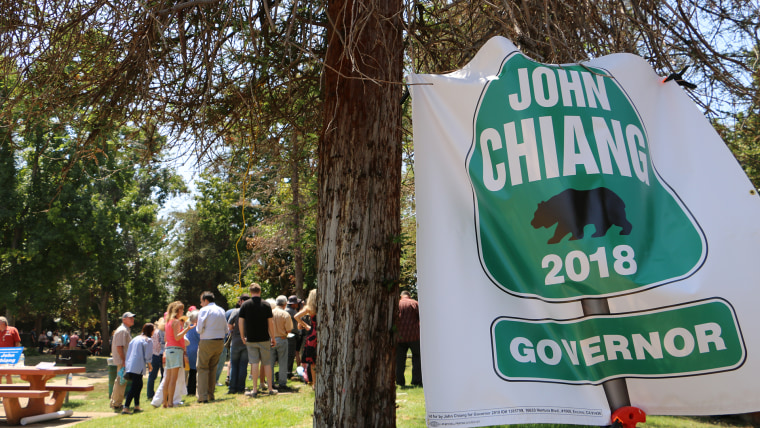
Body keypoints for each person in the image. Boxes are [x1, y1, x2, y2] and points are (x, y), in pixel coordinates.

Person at [238, 283, 277, 397]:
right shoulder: (266, 305)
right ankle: (270, 388)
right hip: (264, 338)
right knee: (267, 363)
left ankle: (254, 389)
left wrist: (242, 336)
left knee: (254, 363)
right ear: (260, 291)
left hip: (250, 338)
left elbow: (241, 322)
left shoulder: (245, 305)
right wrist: (273, 337)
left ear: (250, 292)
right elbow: (270, 323)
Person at [195, 291, 229, 403]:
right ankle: (211, 394)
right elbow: (226, 329)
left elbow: (199, 329)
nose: (201, 304)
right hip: (219, 342)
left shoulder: (204, 310)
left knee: (202, 368)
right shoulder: (221, 310)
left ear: (205, 300)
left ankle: (202, 396)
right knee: (213, 368)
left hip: (207, 341)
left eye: (201, 302)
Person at [164, 301, 193, 408]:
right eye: (181, 310)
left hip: (169, 350)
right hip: (176, 350)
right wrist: (187, 329)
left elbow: (167, 338)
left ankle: (165, 403)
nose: (182, 312)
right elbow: (177, 337)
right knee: (173, 379)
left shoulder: (167, 322)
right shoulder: (176, 322)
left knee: (168, 378)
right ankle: (170, 402)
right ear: (176, 311)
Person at [122, 323, 154, 414]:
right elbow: (148, 355)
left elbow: (129, 351)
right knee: (135, 387)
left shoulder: (135, 338)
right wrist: (150, 365)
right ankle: (126, 407)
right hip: (138, 365)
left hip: (131, 364)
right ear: (150, 330)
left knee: (138, 386)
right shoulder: (148, 340)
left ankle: (137, 406)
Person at [396, 290, 422, 387]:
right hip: (414, 335)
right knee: (417, 358)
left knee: (399, 360)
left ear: (401, 296)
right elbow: (421, 318)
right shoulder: (414, 303)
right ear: (409, 296)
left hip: (399, 336)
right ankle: (416, 380)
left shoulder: (397, 303)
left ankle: (399, 381)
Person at [110, 312, 135, 411]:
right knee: (121, 381)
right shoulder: (122, 331)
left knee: (120, 381)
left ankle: (115, 401)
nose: (132, 319)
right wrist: (124, 360)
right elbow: (119, 347)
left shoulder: (125, 330)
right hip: (122, 360)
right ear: (124, 319)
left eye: (133, 318)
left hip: (124, 360)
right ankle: (117, 403)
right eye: (130, 318)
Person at [294, 289, 318, 388]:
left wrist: (306, 326)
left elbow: (296, 316)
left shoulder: (309, 308)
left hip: (312, 333)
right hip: (321, 332)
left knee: (312, 361)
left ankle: (314, 383)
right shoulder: (324, 305)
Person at [227, 294, 249, 394]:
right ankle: (241, 388)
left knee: (234, 365)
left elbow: (229, 326)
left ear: (241, 301)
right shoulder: (251, 312)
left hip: (235, 341)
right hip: (247, 341)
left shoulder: (236, 311)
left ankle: (232, 388)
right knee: (243, 365)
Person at [271, 295, 293, 392]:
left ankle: (270, 383)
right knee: (283, 362)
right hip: (282, 338)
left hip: (270, 339)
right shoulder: (285, 314)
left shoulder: (269, 313)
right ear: (285, 304)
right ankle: (282, 383)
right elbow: (289, 330)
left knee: (270, 363)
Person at [147, 316, 166, 400]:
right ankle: (160, 393)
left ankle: (150, 394)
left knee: (152, 376)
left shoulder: (153, 332)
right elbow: (160, 344)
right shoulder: (161, 332)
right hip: (159, 355)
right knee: (163, 375)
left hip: (152, 355)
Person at [285, 295, 303, 379]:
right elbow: (300, 317)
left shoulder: (287, 310)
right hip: (292, 334)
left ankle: (287, 371)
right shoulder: (291, 311)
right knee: (291, 354)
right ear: (293, 304)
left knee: (289, 354)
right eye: (296, 303)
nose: (297, 304)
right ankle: (288, 372)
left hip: (288, 334)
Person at [0, 317, 21, 384]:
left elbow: (17, 343)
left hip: (9, 355)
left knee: (7, 374)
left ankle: (9, 391)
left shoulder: (13, 330)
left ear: (3, 323)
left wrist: (16, 354)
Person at [185, 310, 199, 395]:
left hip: (188, 350)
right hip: (195, 350)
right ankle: (192, 390)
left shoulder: (188, 326)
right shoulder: (196, 327)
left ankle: (189, 389)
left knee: (190, 371)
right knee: (194, 371)